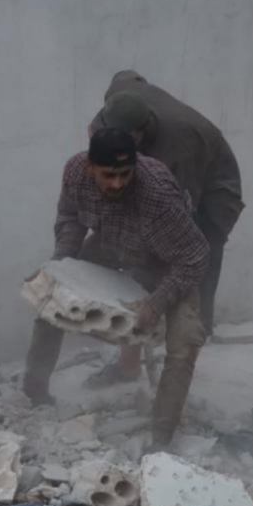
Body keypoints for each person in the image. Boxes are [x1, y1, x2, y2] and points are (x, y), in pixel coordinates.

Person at [23, 128, 209, 446]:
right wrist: (61, 267)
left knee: (185, 341)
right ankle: (34, 392)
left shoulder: (157, 194)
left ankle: (161, 437)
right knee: (54, 298)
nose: (117, 184)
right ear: (90, 167)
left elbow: (196, 256)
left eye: (125, 174)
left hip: (166, 259)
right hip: (113, 242)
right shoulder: (75, 173)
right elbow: (69, 218)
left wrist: (157, 302)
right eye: (108, 175)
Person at [92, 71, 244, 343]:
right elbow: (127, 76)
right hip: (164, 167)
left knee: (197, 252)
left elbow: (178, 214)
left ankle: (194, 333)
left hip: (213, 192)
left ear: (139, 133)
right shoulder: (119, 102)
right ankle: (136, 345)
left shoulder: (180, 145)